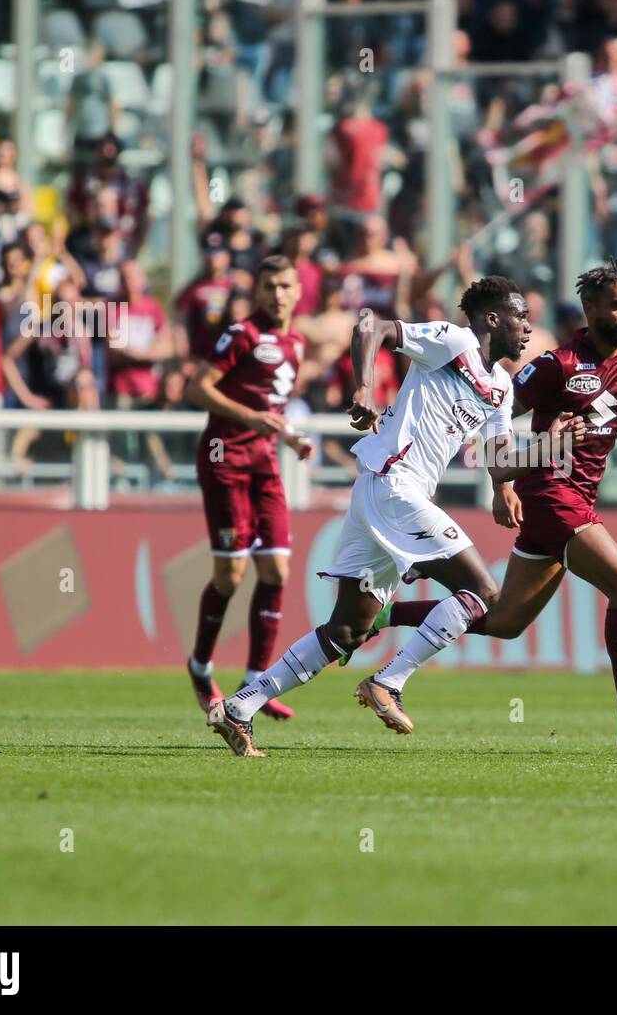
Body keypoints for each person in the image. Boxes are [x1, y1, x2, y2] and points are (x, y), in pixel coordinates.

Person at [205, 276, 584, 756]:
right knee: (484, 592)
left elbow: (499, 459)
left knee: (348, 630)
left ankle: (240, 706)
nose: (529, 329)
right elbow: (370, 327)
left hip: (385, 493)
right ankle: (390, 682)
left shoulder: (502, 388)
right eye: (521, 317)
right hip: (393, 484)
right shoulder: (454, 341)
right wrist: (364, 388)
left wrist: (547, 451)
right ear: (493, 319)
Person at [373, 258, 617, 751]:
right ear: (590, 308)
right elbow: (493, 407)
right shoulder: (556, 365)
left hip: (580, 500)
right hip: (551, 497)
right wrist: (502, 484)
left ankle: (381, 616)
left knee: (505, 620)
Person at [183, 255, 316, 723]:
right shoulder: (241, 335)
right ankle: (200, 666)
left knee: (277, 572)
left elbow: (270, 406)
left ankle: (256, 681)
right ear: (257, 291)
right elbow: (197, 388)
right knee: (231, 578)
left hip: (264, 463)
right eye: (269, 286)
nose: (277, 294)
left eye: (285, 285)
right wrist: (250, 418)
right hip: (224, 461)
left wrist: (290, 436)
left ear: (298, 291)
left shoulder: (295, 342)